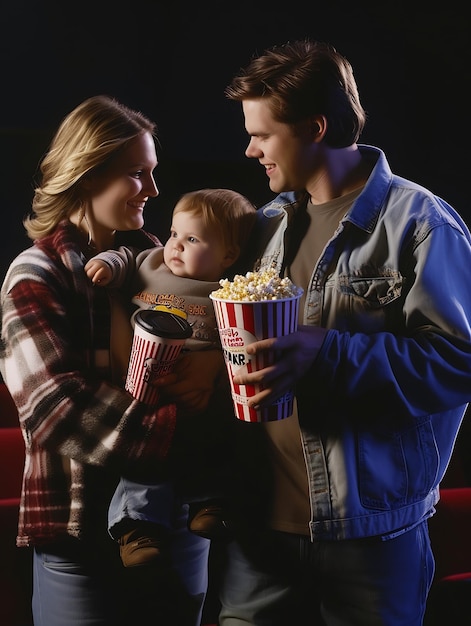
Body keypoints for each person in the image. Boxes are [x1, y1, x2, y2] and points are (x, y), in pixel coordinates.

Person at [218, 39, 471, 626]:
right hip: (258, 533)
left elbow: (459, 363)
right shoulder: (264, 227)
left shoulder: (422, 224)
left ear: (315, 127)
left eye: (262, 133)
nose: (249, 149)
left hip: (372, 537)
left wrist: (328, 353)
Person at [0, 95, 222, 626]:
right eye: (136, 174)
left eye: (153, 172)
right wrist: (180, 431)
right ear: (85, 177)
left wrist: (212, 367)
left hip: (174, 520)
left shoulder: (161, 260)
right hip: (77, 527)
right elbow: (52, 405)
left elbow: (217, 331)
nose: (153, 189)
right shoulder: (35, 273)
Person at [84, 187, 256, 567]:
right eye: (174, 233)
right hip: (148, 386)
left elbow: (243, 341)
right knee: (146, 454)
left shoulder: (227, 292)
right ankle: (137, 527)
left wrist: (217, 365)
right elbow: (125, 258)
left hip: (200, 394)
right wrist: (109, 266)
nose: (175, 246)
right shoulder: (152, 262)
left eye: (192, 239)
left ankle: (210, 504)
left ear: (228, 255)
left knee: (219, 437)